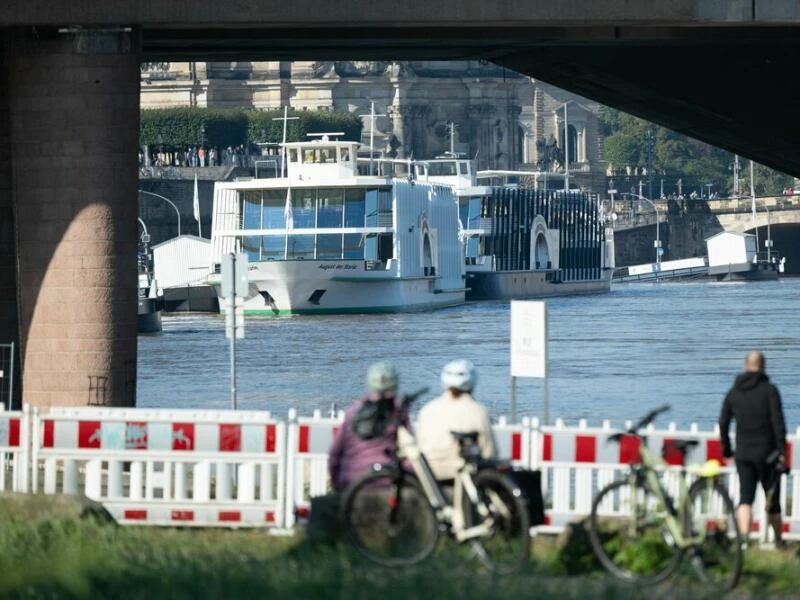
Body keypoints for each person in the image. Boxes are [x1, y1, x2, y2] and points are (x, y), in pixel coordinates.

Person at [719, 351, 788, 548]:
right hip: (768, 454)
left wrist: (727, 449)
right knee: (772, 499)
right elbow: (778, 423)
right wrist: (781, 450)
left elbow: (723, 422)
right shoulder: (770, 391)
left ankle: (745, 541)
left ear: (745, 366)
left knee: (745, 498)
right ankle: (778, 540)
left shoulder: (734, 392)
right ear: (764, 366)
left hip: (744, 454)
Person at [328, 362, 406, 492]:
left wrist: (336, 484)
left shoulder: (353, 411)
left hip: (352, 481)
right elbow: (411, 451)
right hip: (387, 481)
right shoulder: (398, 411)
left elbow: (335, 454)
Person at [416, 360, 495, 481]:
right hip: (460, 477)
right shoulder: (478, 411)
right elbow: (489, 452)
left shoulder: (427, 409)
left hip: (428, 477)